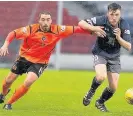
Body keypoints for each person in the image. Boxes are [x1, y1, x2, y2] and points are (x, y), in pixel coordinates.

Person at [0, 11, 105, 110]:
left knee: (29, 81)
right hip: (23, 58)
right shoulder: (31, 29)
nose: (45, 22)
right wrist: (5, 45)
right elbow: (13, 33)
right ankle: (3, 94)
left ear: (51, 21)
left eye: (48, 19)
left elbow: (77, 29)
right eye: (43, 19)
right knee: (8, 81)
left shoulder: (58, 30)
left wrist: (93, 31)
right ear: (39, 20)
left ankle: (9, 103)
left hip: (40, 62)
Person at [78, 3, 131, 112]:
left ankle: (100, 102)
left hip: (114, 57)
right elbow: (81, 23)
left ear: (120, 14)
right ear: (108, 13)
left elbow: (128, 46)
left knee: (113, 87)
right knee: (101, 76)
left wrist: (118, 38)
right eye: (112, 14)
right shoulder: (101, 20)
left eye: (117, 15)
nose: (114, 17)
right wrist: (94, 28)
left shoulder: (124, 24)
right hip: (100, 53)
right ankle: (91, 92)